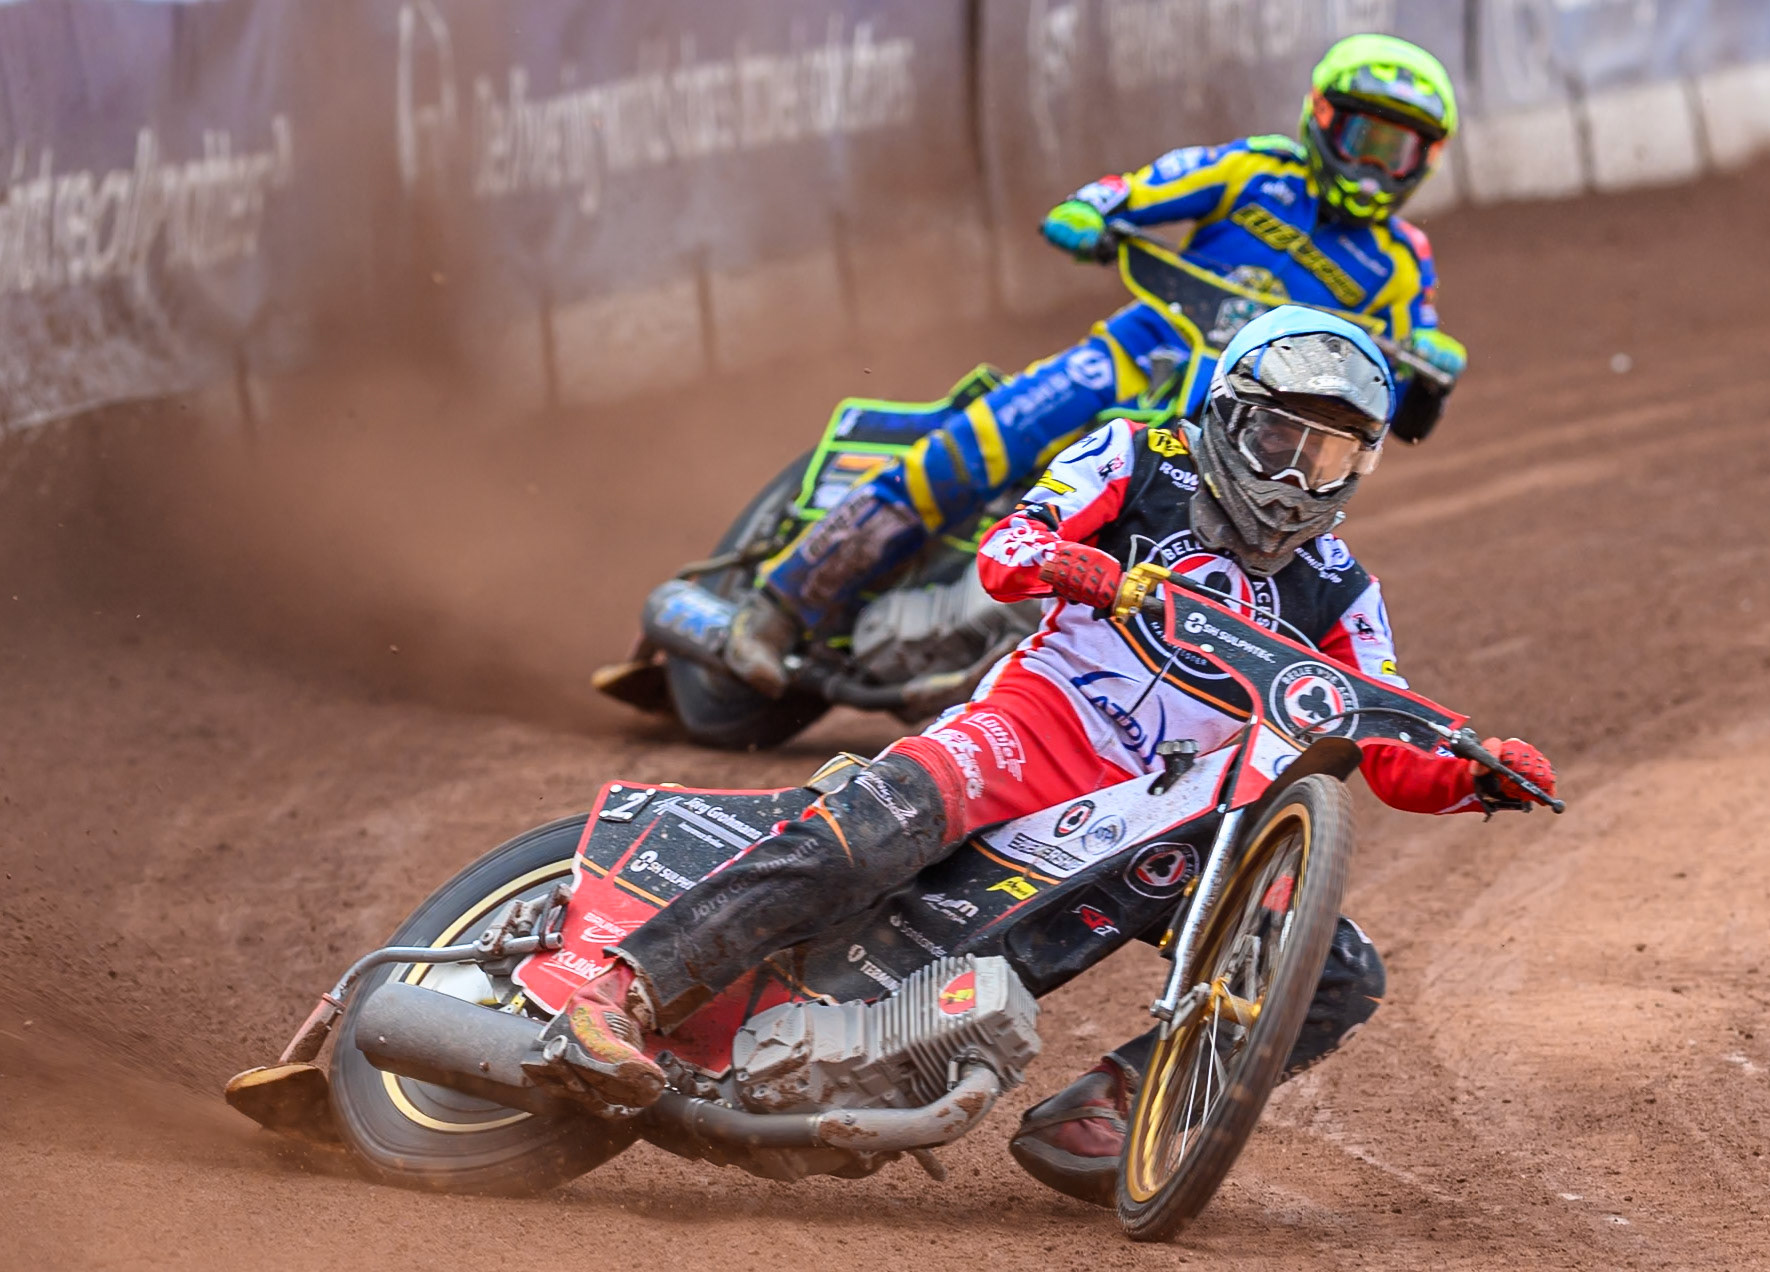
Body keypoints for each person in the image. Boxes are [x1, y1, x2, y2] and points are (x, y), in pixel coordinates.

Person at [531, 306, 1557, 1205]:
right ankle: (621, 991)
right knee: (887, 818)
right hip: (1035, 727)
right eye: (1281, 437)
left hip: (1167, 808)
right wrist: (1091, 572)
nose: (1297, 472)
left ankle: (1106, 1113)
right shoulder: (1138, 458)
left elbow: (1376, 737)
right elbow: (1009, 552)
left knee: (1335, 969)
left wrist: (1476, 769)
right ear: (1231, 418)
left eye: (1327, 454)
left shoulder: (1340, 589)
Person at [722, 32, 1469, 698]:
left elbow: (1393, 398)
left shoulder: (1403, 264)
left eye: (1395, 150)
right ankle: (781, 606)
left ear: (1421, 162)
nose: (1375, 164)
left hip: (1235, 427)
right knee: (984, 443)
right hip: (1136, 354)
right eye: (1366, 137)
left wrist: (1432, 365)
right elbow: (1132, 192)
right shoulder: (1250, 173)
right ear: (1324, 120)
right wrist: (1092, 211)